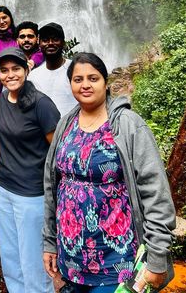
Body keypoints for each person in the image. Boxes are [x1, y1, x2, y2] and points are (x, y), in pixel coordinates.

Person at [43, 52, 176, 293]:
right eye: (78, 79)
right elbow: (52, 186)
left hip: (118, 259)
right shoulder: (65, 124)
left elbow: (155, 190)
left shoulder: (128, 124)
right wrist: (50, 242)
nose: (85, 85)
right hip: (70, 258)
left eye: (93, 78)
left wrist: (157, 257)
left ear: (106, 82)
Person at [0, 47, 60, 293]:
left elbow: (59, 151)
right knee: (10, 258)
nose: (10, 74)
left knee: (34, 261)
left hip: (32, 194)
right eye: (4, 70)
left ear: (27, 69)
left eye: (15, 69)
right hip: (3, 189)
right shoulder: (2, 98)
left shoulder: (41, 104)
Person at [28, 23, 77, 116]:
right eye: (45, 40)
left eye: (55, 39)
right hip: (45, 129)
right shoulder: (33, 76)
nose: (50, 43)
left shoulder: (76, 69)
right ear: (39, 44)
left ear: (63, 43)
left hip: (74, 127)